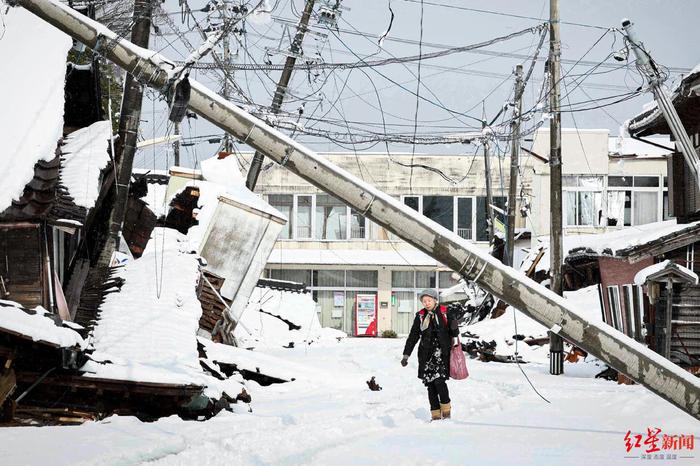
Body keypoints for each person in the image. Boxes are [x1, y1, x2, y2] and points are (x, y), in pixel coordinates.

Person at [401, 289, 460, 421]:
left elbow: (454, 333)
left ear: (435, 300)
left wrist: (455, 326)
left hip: (441, 354)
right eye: (424, 301)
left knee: (439, 382)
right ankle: (435, 415)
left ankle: (446, 411)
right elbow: (413, 336)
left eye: (429, 300)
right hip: (426, 356)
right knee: (430, 385)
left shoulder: (445, 312)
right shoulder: (421, 316)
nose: (426, 303)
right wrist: (406, 355)